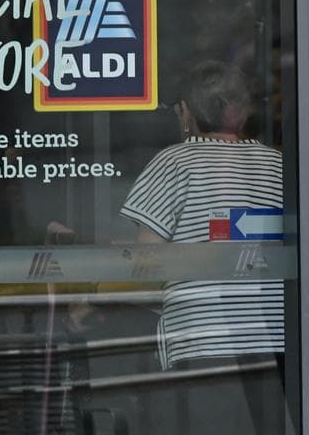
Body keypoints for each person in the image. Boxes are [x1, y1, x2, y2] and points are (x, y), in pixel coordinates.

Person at [120, 60, 286, 434]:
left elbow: (147, 261)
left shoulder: (175, 161)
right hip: (274, 336)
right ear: (243, 112)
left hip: (203, 338)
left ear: (185, 112)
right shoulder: (279, 165)